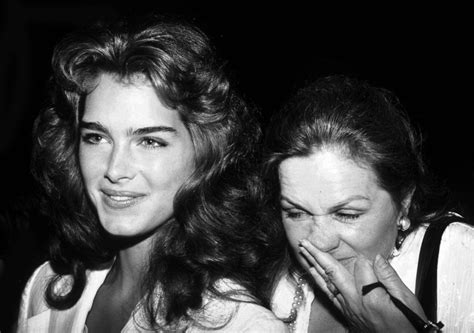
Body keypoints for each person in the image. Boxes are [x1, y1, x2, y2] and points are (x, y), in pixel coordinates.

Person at [16, 17, 287, 332]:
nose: (115, 170)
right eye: (96, 137)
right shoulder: (47, 288)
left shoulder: (242, 325)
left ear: (205, 153)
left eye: (149, 141)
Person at [261, 75, 474, 332]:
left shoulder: (459, 256)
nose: (319, 242)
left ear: (404, 201)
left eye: (347, 214)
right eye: (296, 213)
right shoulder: (271, 278)